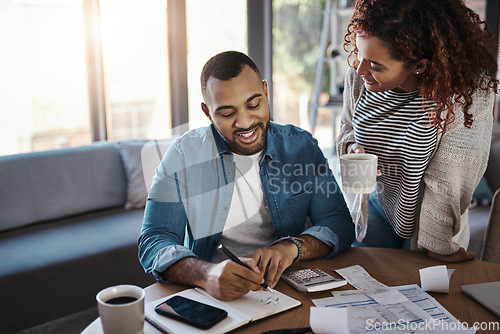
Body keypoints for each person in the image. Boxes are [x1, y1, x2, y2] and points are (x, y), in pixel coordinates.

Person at [139, 51, 354, 301]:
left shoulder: (301, 146)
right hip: (214, 292)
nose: (244, 122)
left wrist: (293, 247)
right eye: (227, 113)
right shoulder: (183, 155)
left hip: (287, 285)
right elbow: (154, 240)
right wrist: (205, 274)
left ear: (265, 91)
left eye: (253, 104)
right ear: (208, 112)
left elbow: (338, 223)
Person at [337, 0, 498, 262]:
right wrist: (353, 148)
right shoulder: (359, 73)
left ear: (419, 65)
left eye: (376, 65)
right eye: (358, 51)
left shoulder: (464, 91)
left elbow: (452, 174)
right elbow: (347, 128)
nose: (360, 68)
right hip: (377, 205)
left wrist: (438, 243)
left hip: (431, 221)